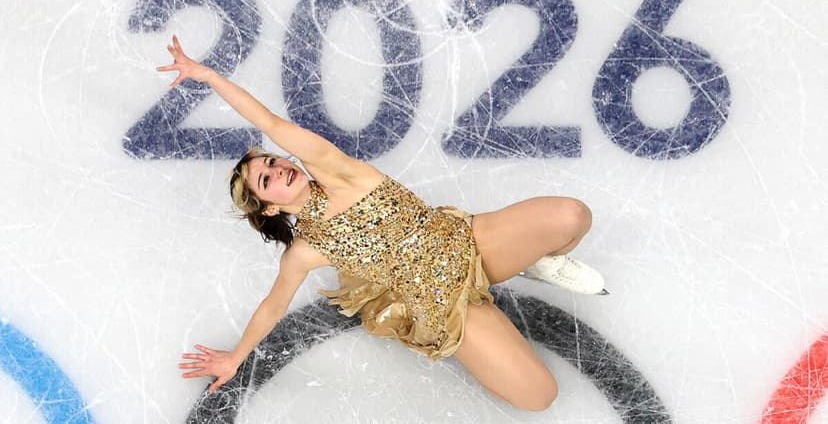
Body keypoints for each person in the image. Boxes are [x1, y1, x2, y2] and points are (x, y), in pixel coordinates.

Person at [162, 36, 606, 411]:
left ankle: (538, 261)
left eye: (275, 162)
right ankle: (485, 325)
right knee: (539, 396)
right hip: (442, 305)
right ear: (270, 209)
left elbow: (271, 122)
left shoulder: (337, 171)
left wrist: (210, 77)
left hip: (467, 243)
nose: (278, 170)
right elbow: (273, 305)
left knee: (573, 216)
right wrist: (235, 358)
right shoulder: (305, 251)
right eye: (267, 180)